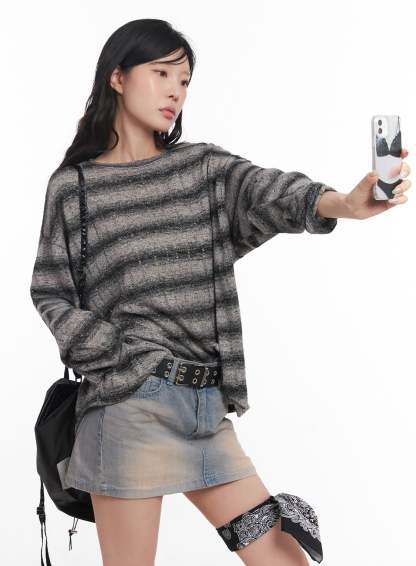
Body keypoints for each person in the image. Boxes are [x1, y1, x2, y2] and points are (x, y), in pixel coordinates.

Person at [29, 18, 411, 566]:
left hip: (205, 411)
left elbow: (269, 191)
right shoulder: (76, 187)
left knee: (283, 560)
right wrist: (119, 356)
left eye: (184, 81)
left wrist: (344, 205)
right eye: (161, 73)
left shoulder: (202, 169)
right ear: (117, 76)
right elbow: (51, 291)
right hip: (129, 410)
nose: (175, 92)